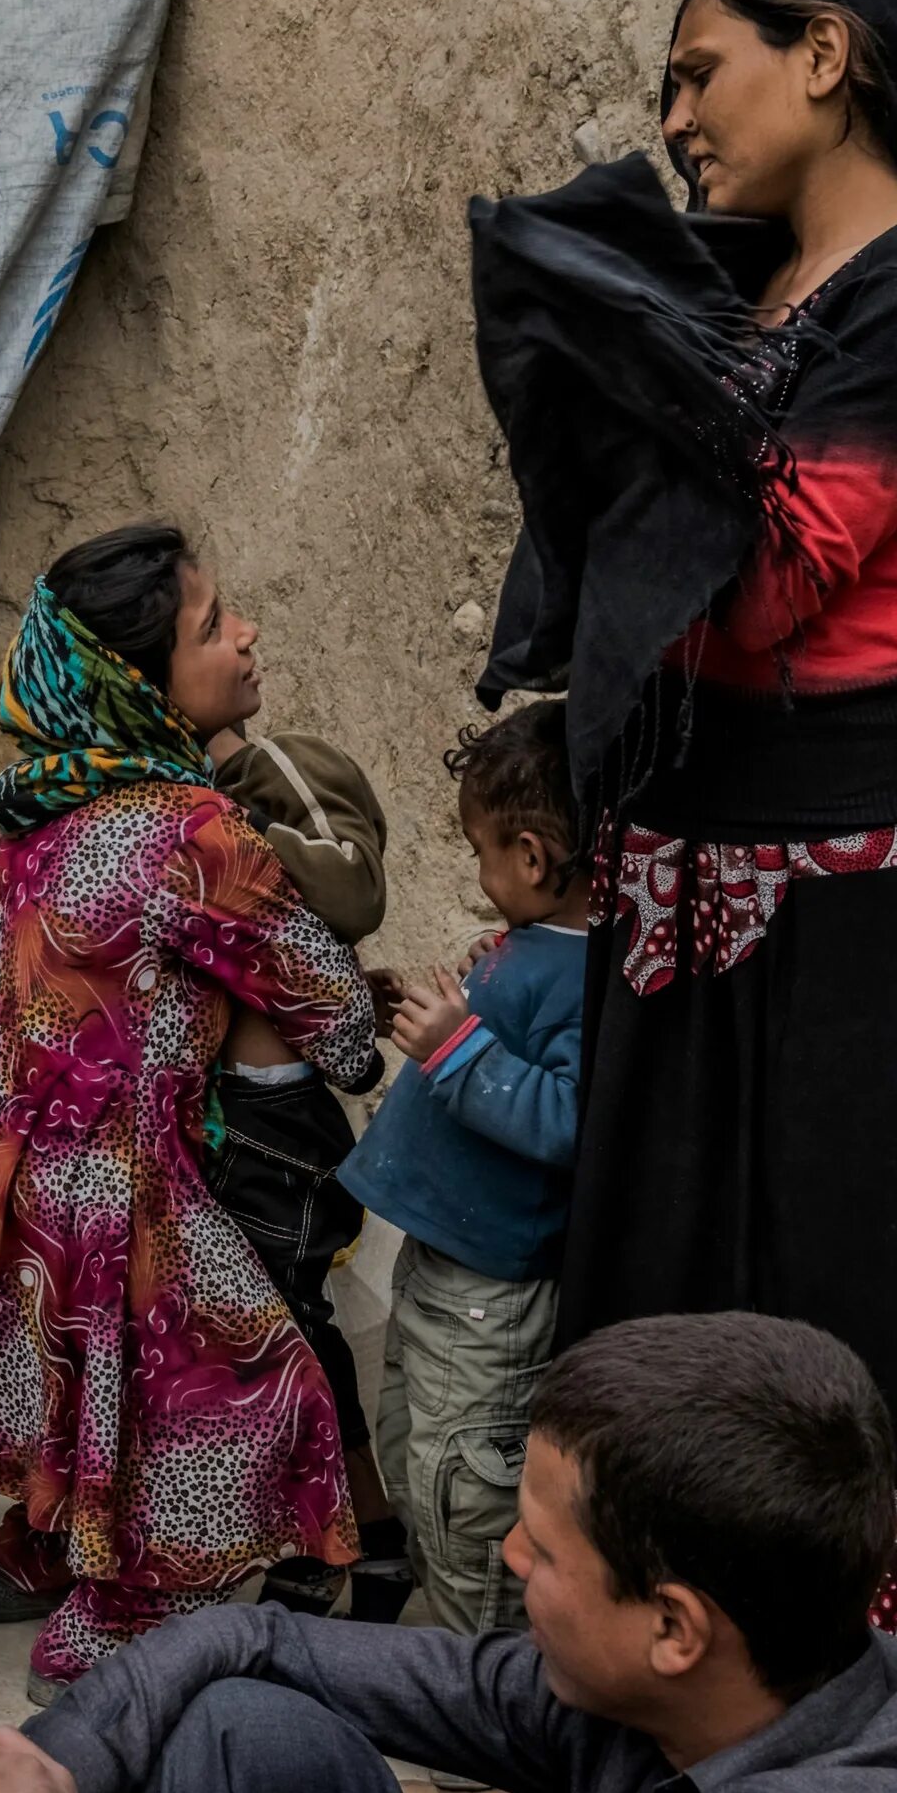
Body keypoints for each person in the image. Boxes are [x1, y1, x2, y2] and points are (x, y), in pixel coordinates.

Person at [470, 0, 897, 1685]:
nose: (678, 118)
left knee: (823, 1294)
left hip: (866, 880)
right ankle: (644, 1676)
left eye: (700, 69)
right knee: (660, 1276)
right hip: (701, 853)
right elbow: (647, 544)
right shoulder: (759, 291)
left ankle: (814, 1707)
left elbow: (785, 567)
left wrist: (628, 355)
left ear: (827, 55)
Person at [0, 523, 381, 1701]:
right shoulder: (194, 834)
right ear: (139, 683)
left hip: (8, 1185)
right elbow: (342, 1031)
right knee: (260, 1361)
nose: (243, 633)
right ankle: (134, 1579)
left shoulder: (30, 824)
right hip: (136, 1198)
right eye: (211, 626)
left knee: (80, 1303)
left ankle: (49, 1520)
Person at [0, 1313, 897, 1793]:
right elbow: (255, 1634)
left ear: (674, 1625)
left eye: (547, 1545)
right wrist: (59, 1759)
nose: (510, 1553)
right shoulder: (688, 1694)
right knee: (240, 1723)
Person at [340, 698, 587, 1634]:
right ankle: (459, 1642)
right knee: (422, 1455)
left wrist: (457, 1051)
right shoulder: (540, 947)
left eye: (482, 852)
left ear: (531, 856)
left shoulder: (587, 974)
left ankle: (488, 1691)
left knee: (465, 1493)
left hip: (490, 1295)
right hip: (446, 1273)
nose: (480, 876)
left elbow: (570, 1117)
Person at [198, 726, 410, 1623]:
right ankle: (360, 1527)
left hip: (270, 1134)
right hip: (260, 1126)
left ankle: (335, 1539)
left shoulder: (256, 860)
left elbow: (354, 1049)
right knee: (290, 1337)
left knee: (282, 1343)